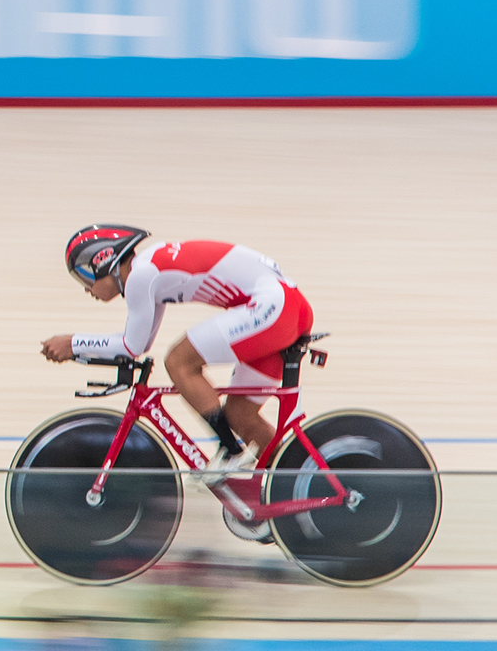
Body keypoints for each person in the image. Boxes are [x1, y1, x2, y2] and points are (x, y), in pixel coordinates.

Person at [39, 225, 314, 543]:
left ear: (104, 262)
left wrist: (73, 343)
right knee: (241, 416)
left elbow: (131, 346)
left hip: (272, 309)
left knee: (179, 362)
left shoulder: (142, 275)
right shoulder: (149, 272)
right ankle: (293, 494)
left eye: (84, 276)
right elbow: (139, 343)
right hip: (284, 307)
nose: (85, 287)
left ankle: (230, 450)